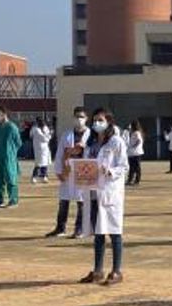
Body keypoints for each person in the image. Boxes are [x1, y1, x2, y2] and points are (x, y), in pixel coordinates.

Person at [79, 109, 129, 285]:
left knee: (114, 232)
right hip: (93, 192)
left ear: (109, 122)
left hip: (109, 191)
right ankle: (98, 271)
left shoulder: (116, 142)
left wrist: (110, 171)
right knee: (98, 232)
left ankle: (116, 271)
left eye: (100, 120)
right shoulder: (91, 143)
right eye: (94, 120)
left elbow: (124, 166)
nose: (96, 123)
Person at [46, 107, 94, 238]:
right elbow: (60, 153)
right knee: (63, 200)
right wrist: (59, 171)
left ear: (86, 119)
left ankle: (80, 229)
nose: (79, 119)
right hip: (68, 171)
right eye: (77, 116)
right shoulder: (67, 134)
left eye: (82, 117)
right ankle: (60, 228)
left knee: (81, 201)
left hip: (83, 171)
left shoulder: (91, 135)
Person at [0, 107, 22, 208]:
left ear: (4, 114)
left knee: (10, 178)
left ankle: (13, 200)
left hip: (8, 157)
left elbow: (18, 143)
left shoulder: (12, 127)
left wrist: (11, 152)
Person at [30, 117, 52, 184]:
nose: (42, 123)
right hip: (38, 149)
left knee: (45, 163)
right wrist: (50, 135)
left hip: (45, 148)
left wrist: (49, 134)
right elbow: (44, 139)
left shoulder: (45, 128)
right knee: (38, 164)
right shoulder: (36, 129)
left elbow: (47, 135)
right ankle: (34, 177)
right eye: (40, 122)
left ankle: (44, 176)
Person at [126, 120, 145, 186]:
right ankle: (130, 180)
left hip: (136, 153)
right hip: (132, 153)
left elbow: (139, 140)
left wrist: (134, 146)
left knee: (137, 167)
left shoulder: (137, 133)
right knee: (132, 167)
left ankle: (137, 181)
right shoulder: (133, 132)